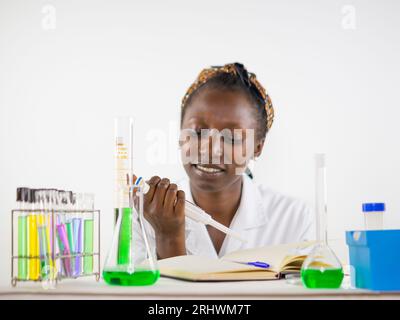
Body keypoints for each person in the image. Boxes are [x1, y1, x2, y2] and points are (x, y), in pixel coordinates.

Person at [134, 62, 314, 262]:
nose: (210, 149)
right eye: (198, 132)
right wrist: (168, 237)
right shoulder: (143, 217)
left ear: (257, 148)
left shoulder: (294, 219)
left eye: (232, 138)